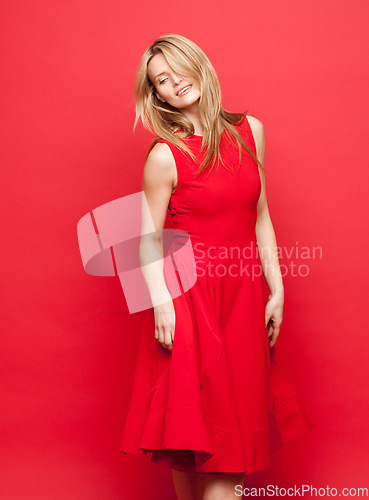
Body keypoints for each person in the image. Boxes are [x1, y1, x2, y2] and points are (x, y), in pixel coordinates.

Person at [120, 33, 313, 499]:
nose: (174, 84)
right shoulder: (165, 154)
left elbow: (260, 214)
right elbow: (146, 240)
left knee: (229, 434)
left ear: (199, 65)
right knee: (196, 440)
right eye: (160, 81)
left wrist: (278, 288)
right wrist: (163, 303)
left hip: (242, 297)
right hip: (189, 300)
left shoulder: (250, 130)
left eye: (177, 70)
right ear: (157, 95)